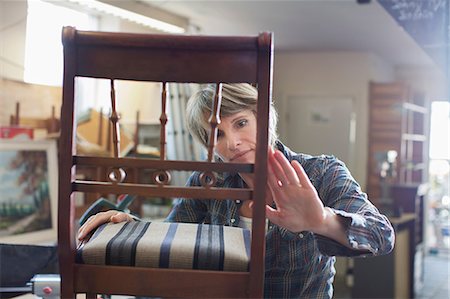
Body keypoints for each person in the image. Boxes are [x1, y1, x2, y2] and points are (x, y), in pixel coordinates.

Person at [78, 83, 395, 298]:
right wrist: (131, 227)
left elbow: (382, 235)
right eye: (217, 134)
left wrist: (320, 221)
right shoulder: (210, 181)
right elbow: (173, 244)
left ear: (264, 120)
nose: (231, 142)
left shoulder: (322, 172)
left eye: (241, 123)